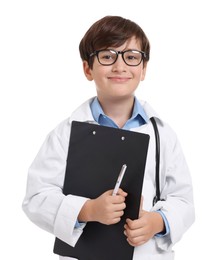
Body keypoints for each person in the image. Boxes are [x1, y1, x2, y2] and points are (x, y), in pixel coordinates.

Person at [22, 15, 195, 260]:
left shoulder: (162, 134)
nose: (120, 66)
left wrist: (157, 222)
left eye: (132, 57)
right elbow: (36, 198)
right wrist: (87, 210)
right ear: (87, 68)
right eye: (107, 56)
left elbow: (183, 200)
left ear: (143, 68)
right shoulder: (65, 133)